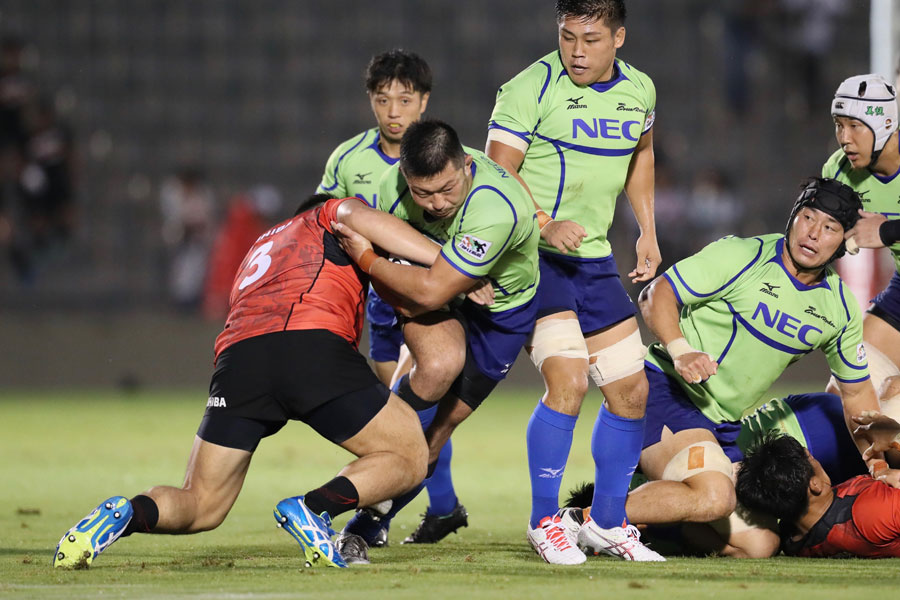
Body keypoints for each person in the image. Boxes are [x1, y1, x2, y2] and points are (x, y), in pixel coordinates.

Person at [51, 192, 477, 569]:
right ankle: (315, 509)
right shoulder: (331, 213)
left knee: (202, 504)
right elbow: (355, 218)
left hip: (238, 362)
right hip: (308, 345)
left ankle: (123, 513)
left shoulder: (262, 245)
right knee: (409, 455)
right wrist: (454, 265)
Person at [621, 177, 900, 558]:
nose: (813, 233)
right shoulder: (741, 255)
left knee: (759, 544)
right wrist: (681, 349)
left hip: (724, 427)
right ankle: (585, 519)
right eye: (807, 217)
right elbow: (656, 294)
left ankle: (647, 511)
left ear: (843, 241)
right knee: (714, 496)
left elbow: (856, 393)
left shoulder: (839, 307)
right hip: (667, 390)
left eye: (830, 227)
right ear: (793, 216)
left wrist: (878, 462)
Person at [484, 0, 661, 564]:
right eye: (567, 37)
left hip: (593, 260)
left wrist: (648, 232)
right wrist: (542, 223)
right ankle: (544, 520)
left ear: (619, 38)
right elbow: (495, 171)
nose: (577, 51)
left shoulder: (641, 91)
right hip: (532, 256)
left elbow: (642, 157)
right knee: (568, 382)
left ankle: (606, 522)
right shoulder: (528, 88)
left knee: (632, 392)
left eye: (590, 38)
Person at [334, 118, 540, 558]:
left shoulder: (495, 206)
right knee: (431, 378)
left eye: (448, 189)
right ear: (406, 177)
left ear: (467, 165)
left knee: (435, 435)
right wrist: (441, 278)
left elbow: (426, 288)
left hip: (501, 315)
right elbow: (418, 293)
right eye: (423, 193)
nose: (438, 203)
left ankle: (370, 511)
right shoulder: (393, 188)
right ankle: (358, 518)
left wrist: (371, 259)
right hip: (436, 297)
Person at [316, 51, 467, 545]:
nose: (394, 111)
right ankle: (442, 507)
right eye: (384, 100)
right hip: (378, 301)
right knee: (396, 417)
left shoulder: (442, 161)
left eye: (405, 99)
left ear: (424, 101)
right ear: (371, 102)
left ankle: (379, 514)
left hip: (428, 301)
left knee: (415, 403)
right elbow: (321, 220)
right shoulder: (348, 158)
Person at [825, 73, 900, 411]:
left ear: (884, 122)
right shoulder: (840, 172)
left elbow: (884, 231)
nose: (844, 138)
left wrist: (887, 231)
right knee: (845, 391)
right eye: (839, 125)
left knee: (894, 398)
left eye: (854, 126)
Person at [737, 432, 900, 558]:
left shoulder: (792, 539)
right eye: (812, 458)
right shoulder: (873, 510)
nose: (817, 460)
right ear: (815, 484)